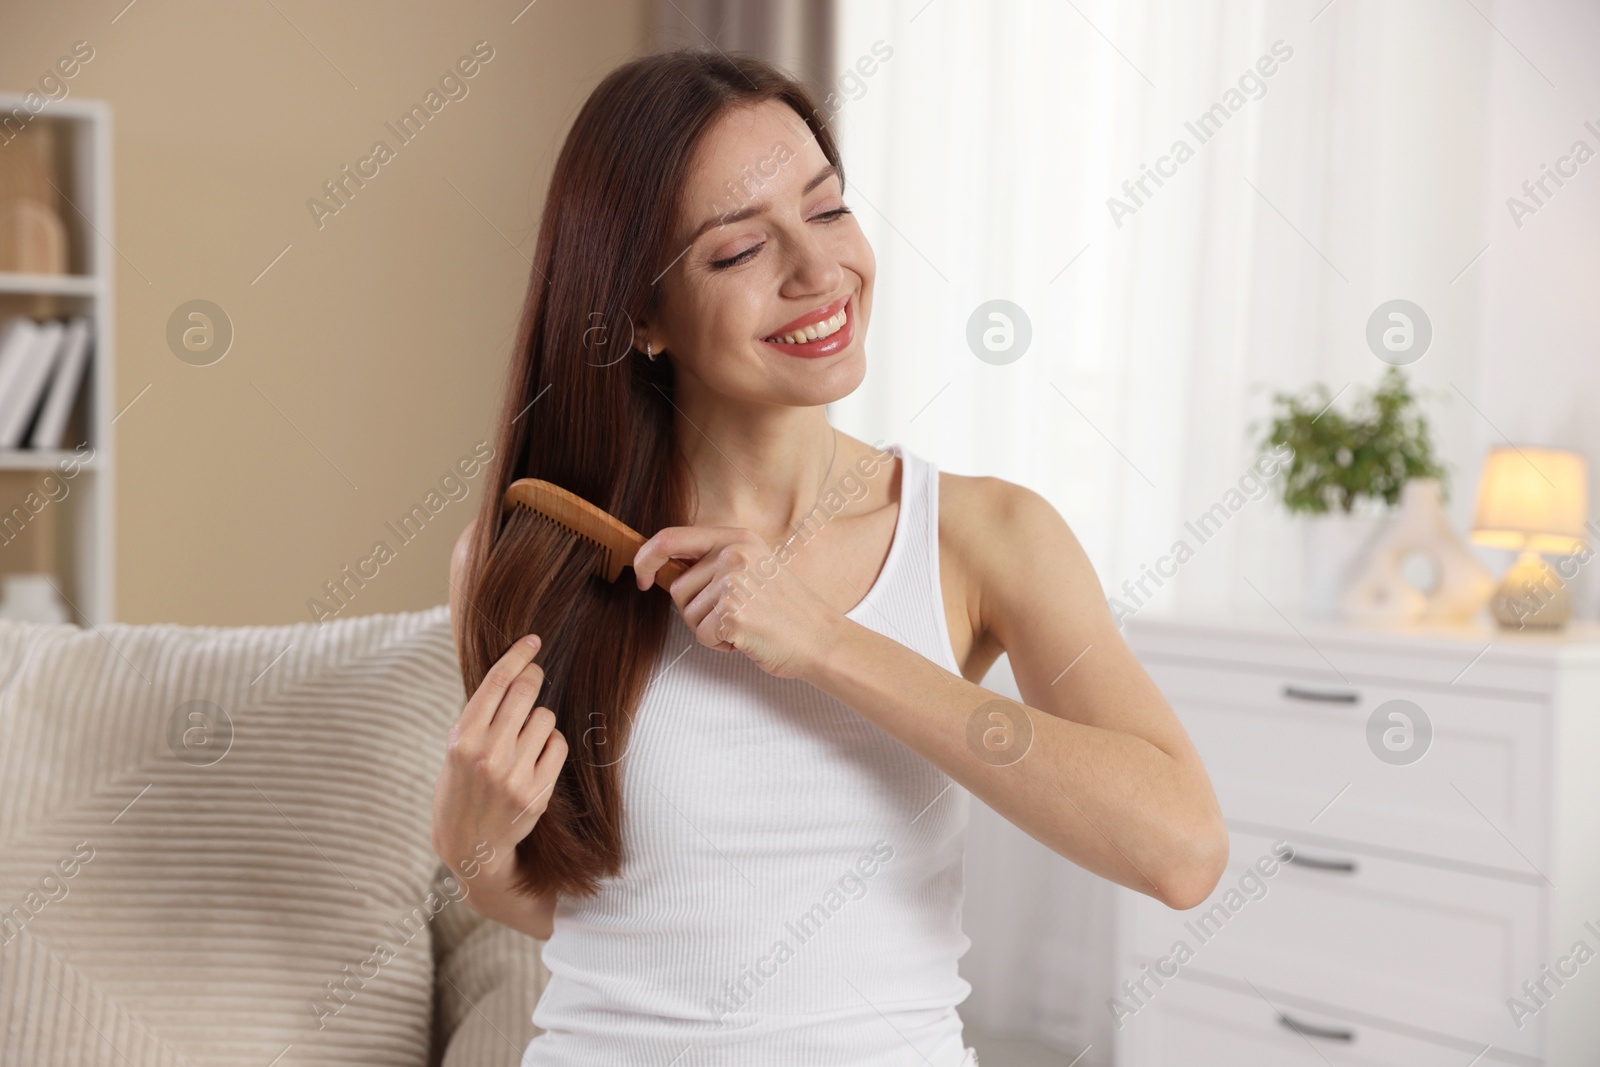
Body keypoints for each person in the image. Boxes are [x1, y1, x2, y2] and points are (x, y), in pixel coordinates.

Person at [430, 48, 1227, 1067]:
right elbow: (572, 906)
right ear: (638, 316)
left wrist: (827, 644)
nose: (817, 272)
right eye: (735, 251)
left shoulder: (985, 535)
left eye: (828, 208)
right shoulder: (534, 555)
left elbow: (1181, 848)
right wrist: (473, 847)